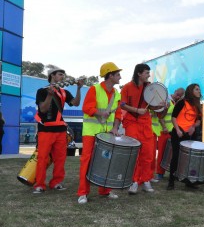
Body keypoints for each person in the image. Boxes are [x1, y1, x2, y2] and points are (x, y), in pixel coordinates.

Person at [77, 62, 122, 204]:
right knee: (87, 161)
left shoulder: (116, 93)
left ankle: (105, 190)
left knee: (106, 161)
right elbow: (86, 108)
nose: (120, 77)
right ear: (110, 76)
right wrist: (101, 112)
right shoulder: (94, 89)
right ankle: (83, 193)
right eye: (118, 74)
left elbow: (119, 113)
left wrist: (115, 128)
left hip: (107, 133)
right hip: (91, 132)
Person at [33, 67, 84, 193]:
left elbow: (76, 103)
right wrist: (50, 95)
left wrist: (78, 89)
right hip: (45, 129)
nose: (63, 77)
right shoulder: (42, 91)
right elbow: (43, 109)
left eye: (63, 75)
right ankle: (39, 184)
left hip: (60, 130)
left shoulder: (64, 92)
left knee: (60, 158)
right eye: (60, 74)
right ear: (52, 76)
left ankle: (56, 182)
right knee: (43, 158)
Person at [121, 63, 164, 194]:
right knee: (134, 153)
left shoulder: (150, 87)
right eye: (146, 72)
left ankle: (146, 180)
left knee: (148, 154)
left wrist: (160, 106)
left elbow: (152, 106)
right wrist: (135, 110)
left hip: (145, 123)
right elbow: (122, 104)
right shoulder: (127, 87)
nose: (149, 75)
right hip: (132, 123)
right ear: (139, 73)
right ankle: (133, 181)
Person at [166, 84, 202, 190]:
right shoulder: (182, 102)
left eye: (199, 89)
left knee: (190, 159)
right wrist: (177, 130)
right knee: (176, 156)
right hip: (178, 133)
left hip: (190, 134)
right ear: (191, 91)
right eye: (197, 89)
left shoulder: (197, 105)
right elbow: (174, 117)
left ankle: (188, 181)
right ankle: (171, 181)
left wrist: (193, 127)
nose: (199, 91)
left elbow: (198, 120)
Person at [154, 88, 185, 180]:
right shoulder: (166, 100)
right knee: (162, 153)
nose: (178, 96)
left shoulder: (174, 103)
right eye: (177, 94)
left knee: (170, 154)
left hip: (172, 131)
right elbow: (160, 116)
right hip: (164, 131)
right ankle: (159, 173)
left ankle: (169, 172)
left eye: (180, 95)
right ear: (174, 91)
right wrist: (164, 127)